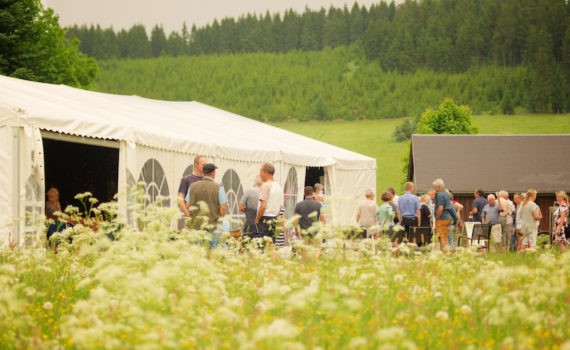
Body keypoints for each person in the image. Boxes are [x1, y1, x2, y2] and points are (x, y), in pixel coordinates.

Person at [187, 163, 227, 248]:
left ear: (203, 173)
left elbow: (187, 204)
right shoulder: (219, 187)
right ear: (213, 173)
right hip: (214, 227)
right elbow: (223, 208)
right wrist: (219, 220)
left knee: (199, 252)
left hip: (197, 227)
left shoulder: (192, 186)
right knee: (214, 252)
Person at [255, 163, 284, 244]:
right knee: (271, 245)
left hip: (265, 219)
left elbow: (263, 206)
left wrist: (257, 219)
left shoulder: (265, 186)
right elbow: (280, 207)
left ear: (265, 172)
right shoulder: (279, 187)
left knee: (262, 246)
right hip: (274, 218)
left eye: (260, 172)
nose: (260, 174)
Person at [177, 155, 207, 228]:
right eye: (203, 165)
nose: (205, 167)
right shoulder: (186, 180)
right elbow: (180, 199)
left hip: (205, 220)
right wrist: (187, 214)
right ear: (196, 165)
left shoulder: (207, 180)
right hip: (191, 219)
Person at [433, 178, 452, 251]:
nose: (434, 188)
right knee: (445, 237)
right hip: (447, 217)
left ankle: (444, 254)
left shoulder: (440, 195)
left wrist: (437, 217)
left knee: (441, 237)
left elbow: (440, 208)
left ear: (438, 186)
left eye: (435, 186)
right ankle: (448, 253)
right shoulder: (446, 194)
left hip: (441, 218)